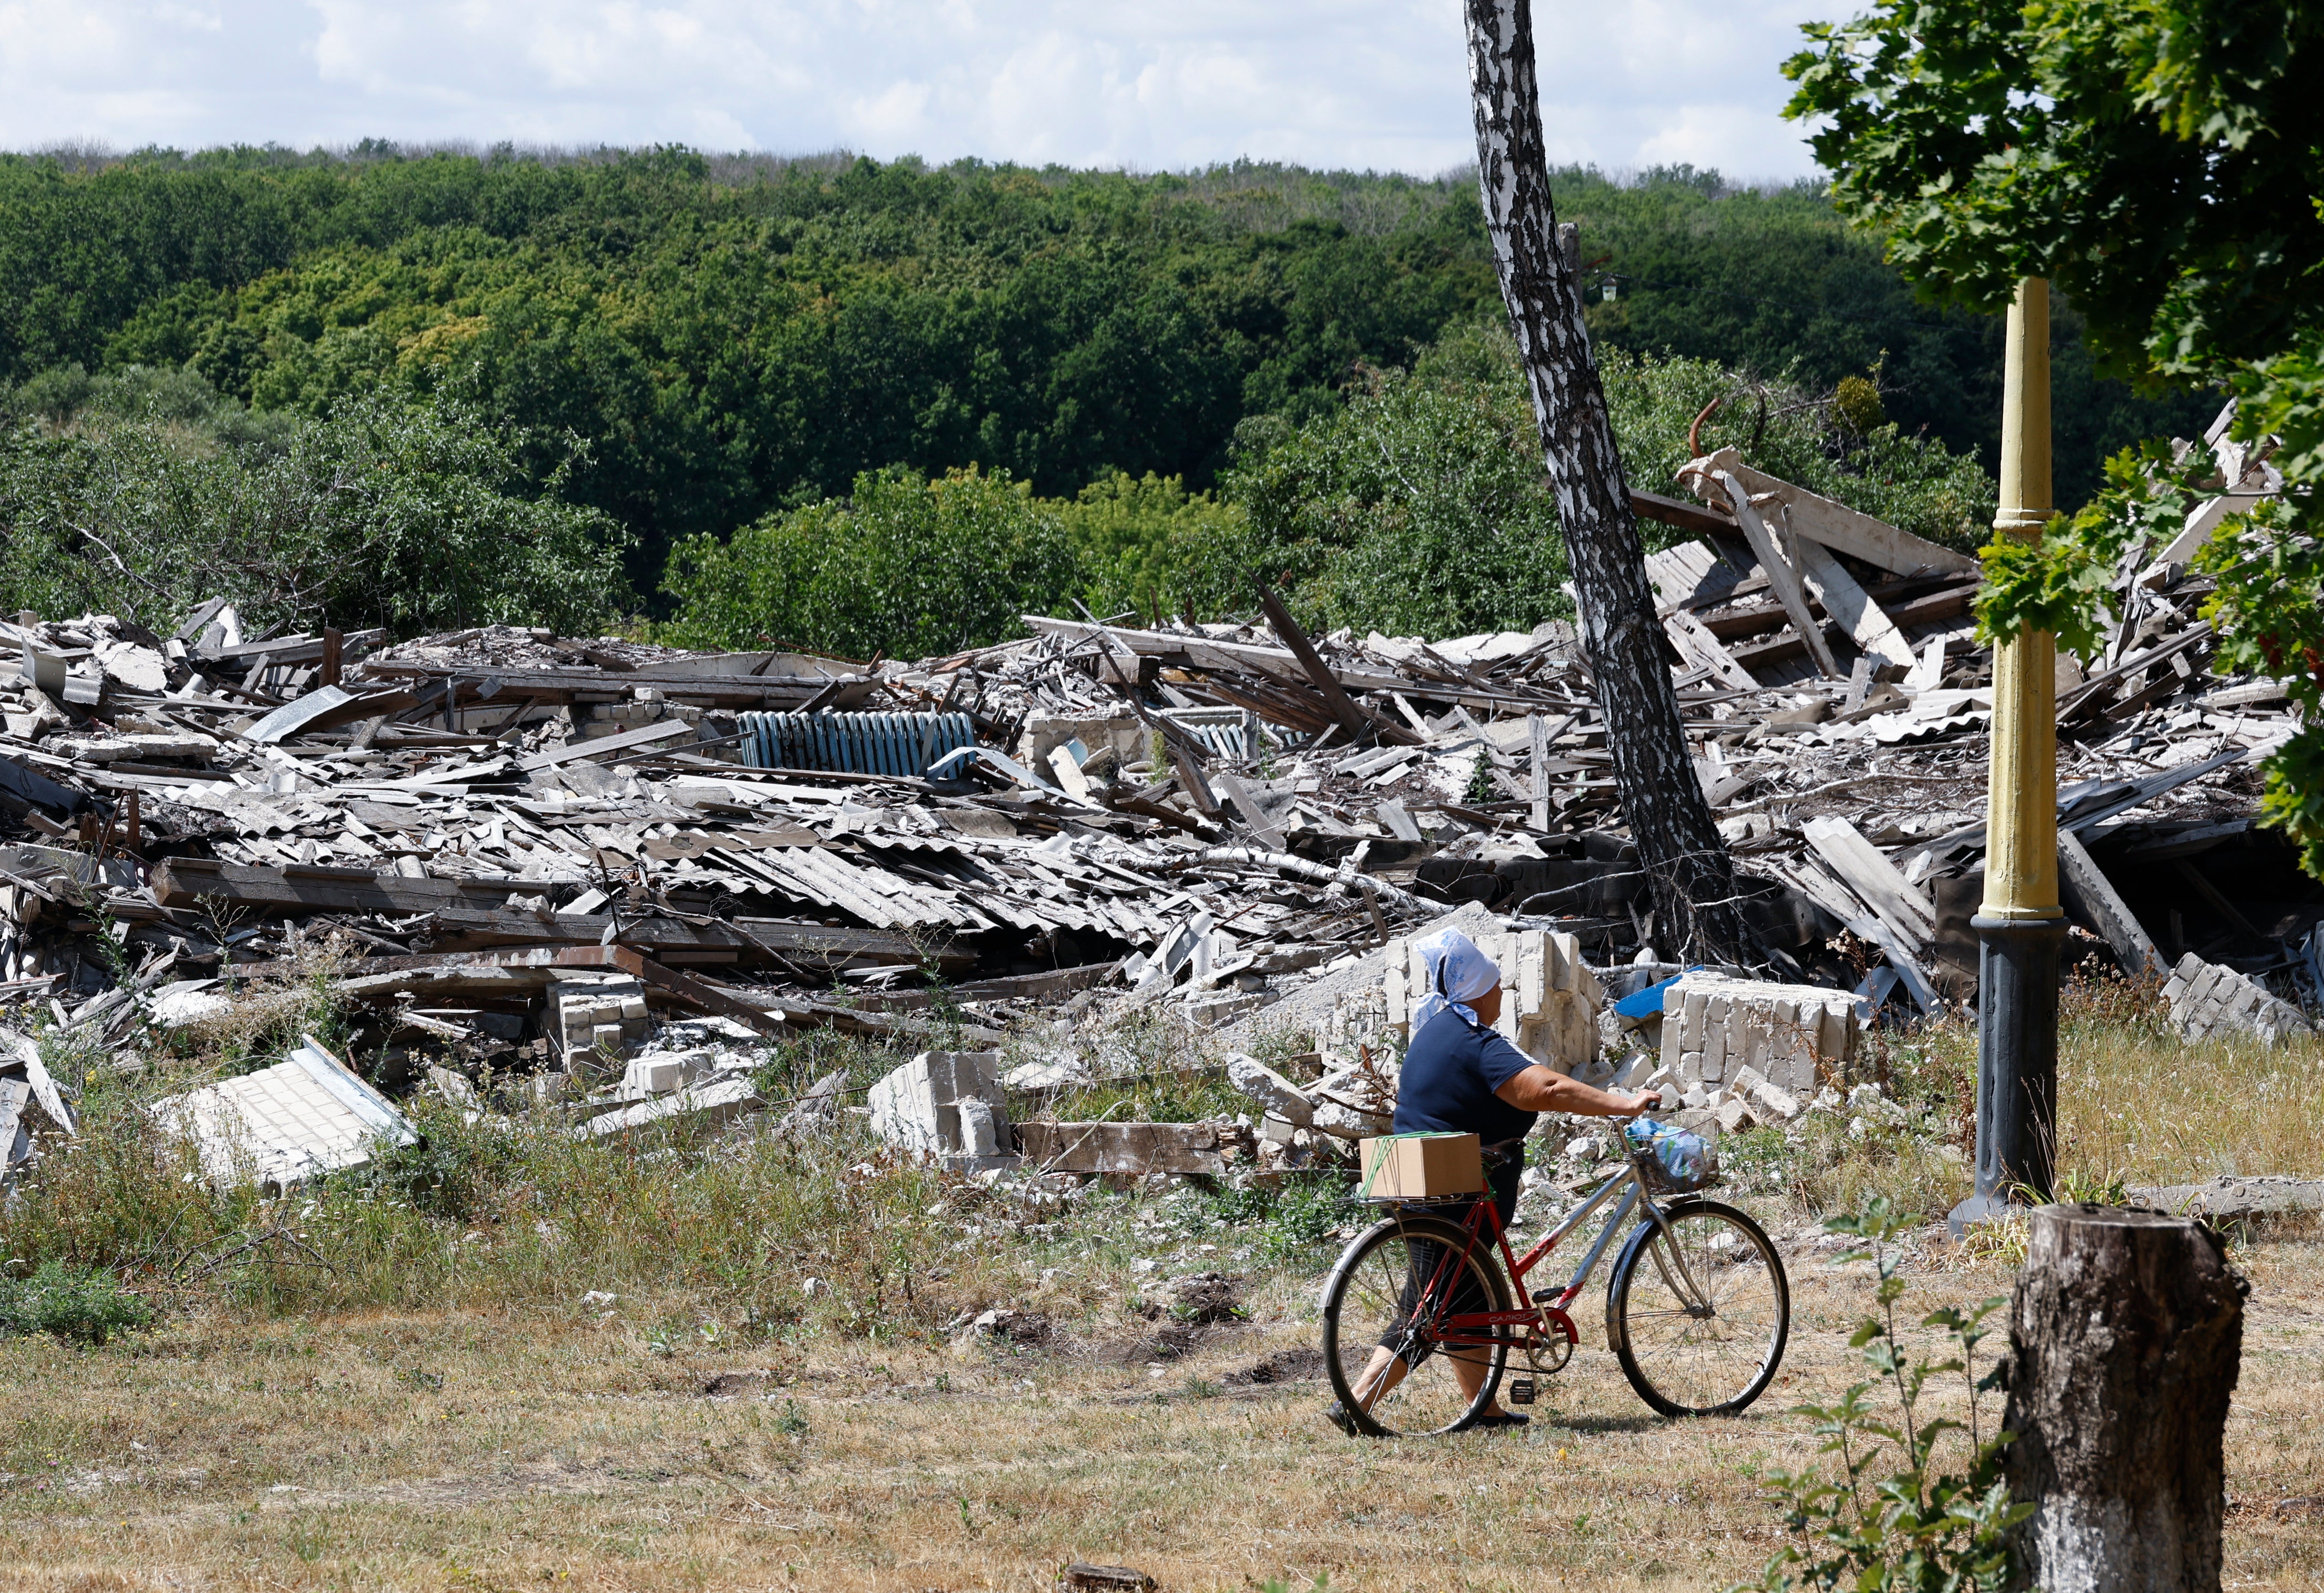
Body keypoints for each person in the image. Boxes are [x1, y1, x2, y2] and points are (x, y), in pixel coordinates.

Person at [1329, 926, 1659, 1435]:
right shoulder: (1475, 1043)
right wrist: (1625, 1102)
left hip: (1417, 1177)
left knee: (1465, 1299)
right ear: (1475, 991)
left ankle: (1482, 1409)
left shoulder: (1436, 1029)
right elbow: (1545, 1088)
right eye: (1495, 985)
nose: (1501, 993)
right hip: (1454, 1189)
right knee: (1429, 1308)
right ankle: (1358, 1401)